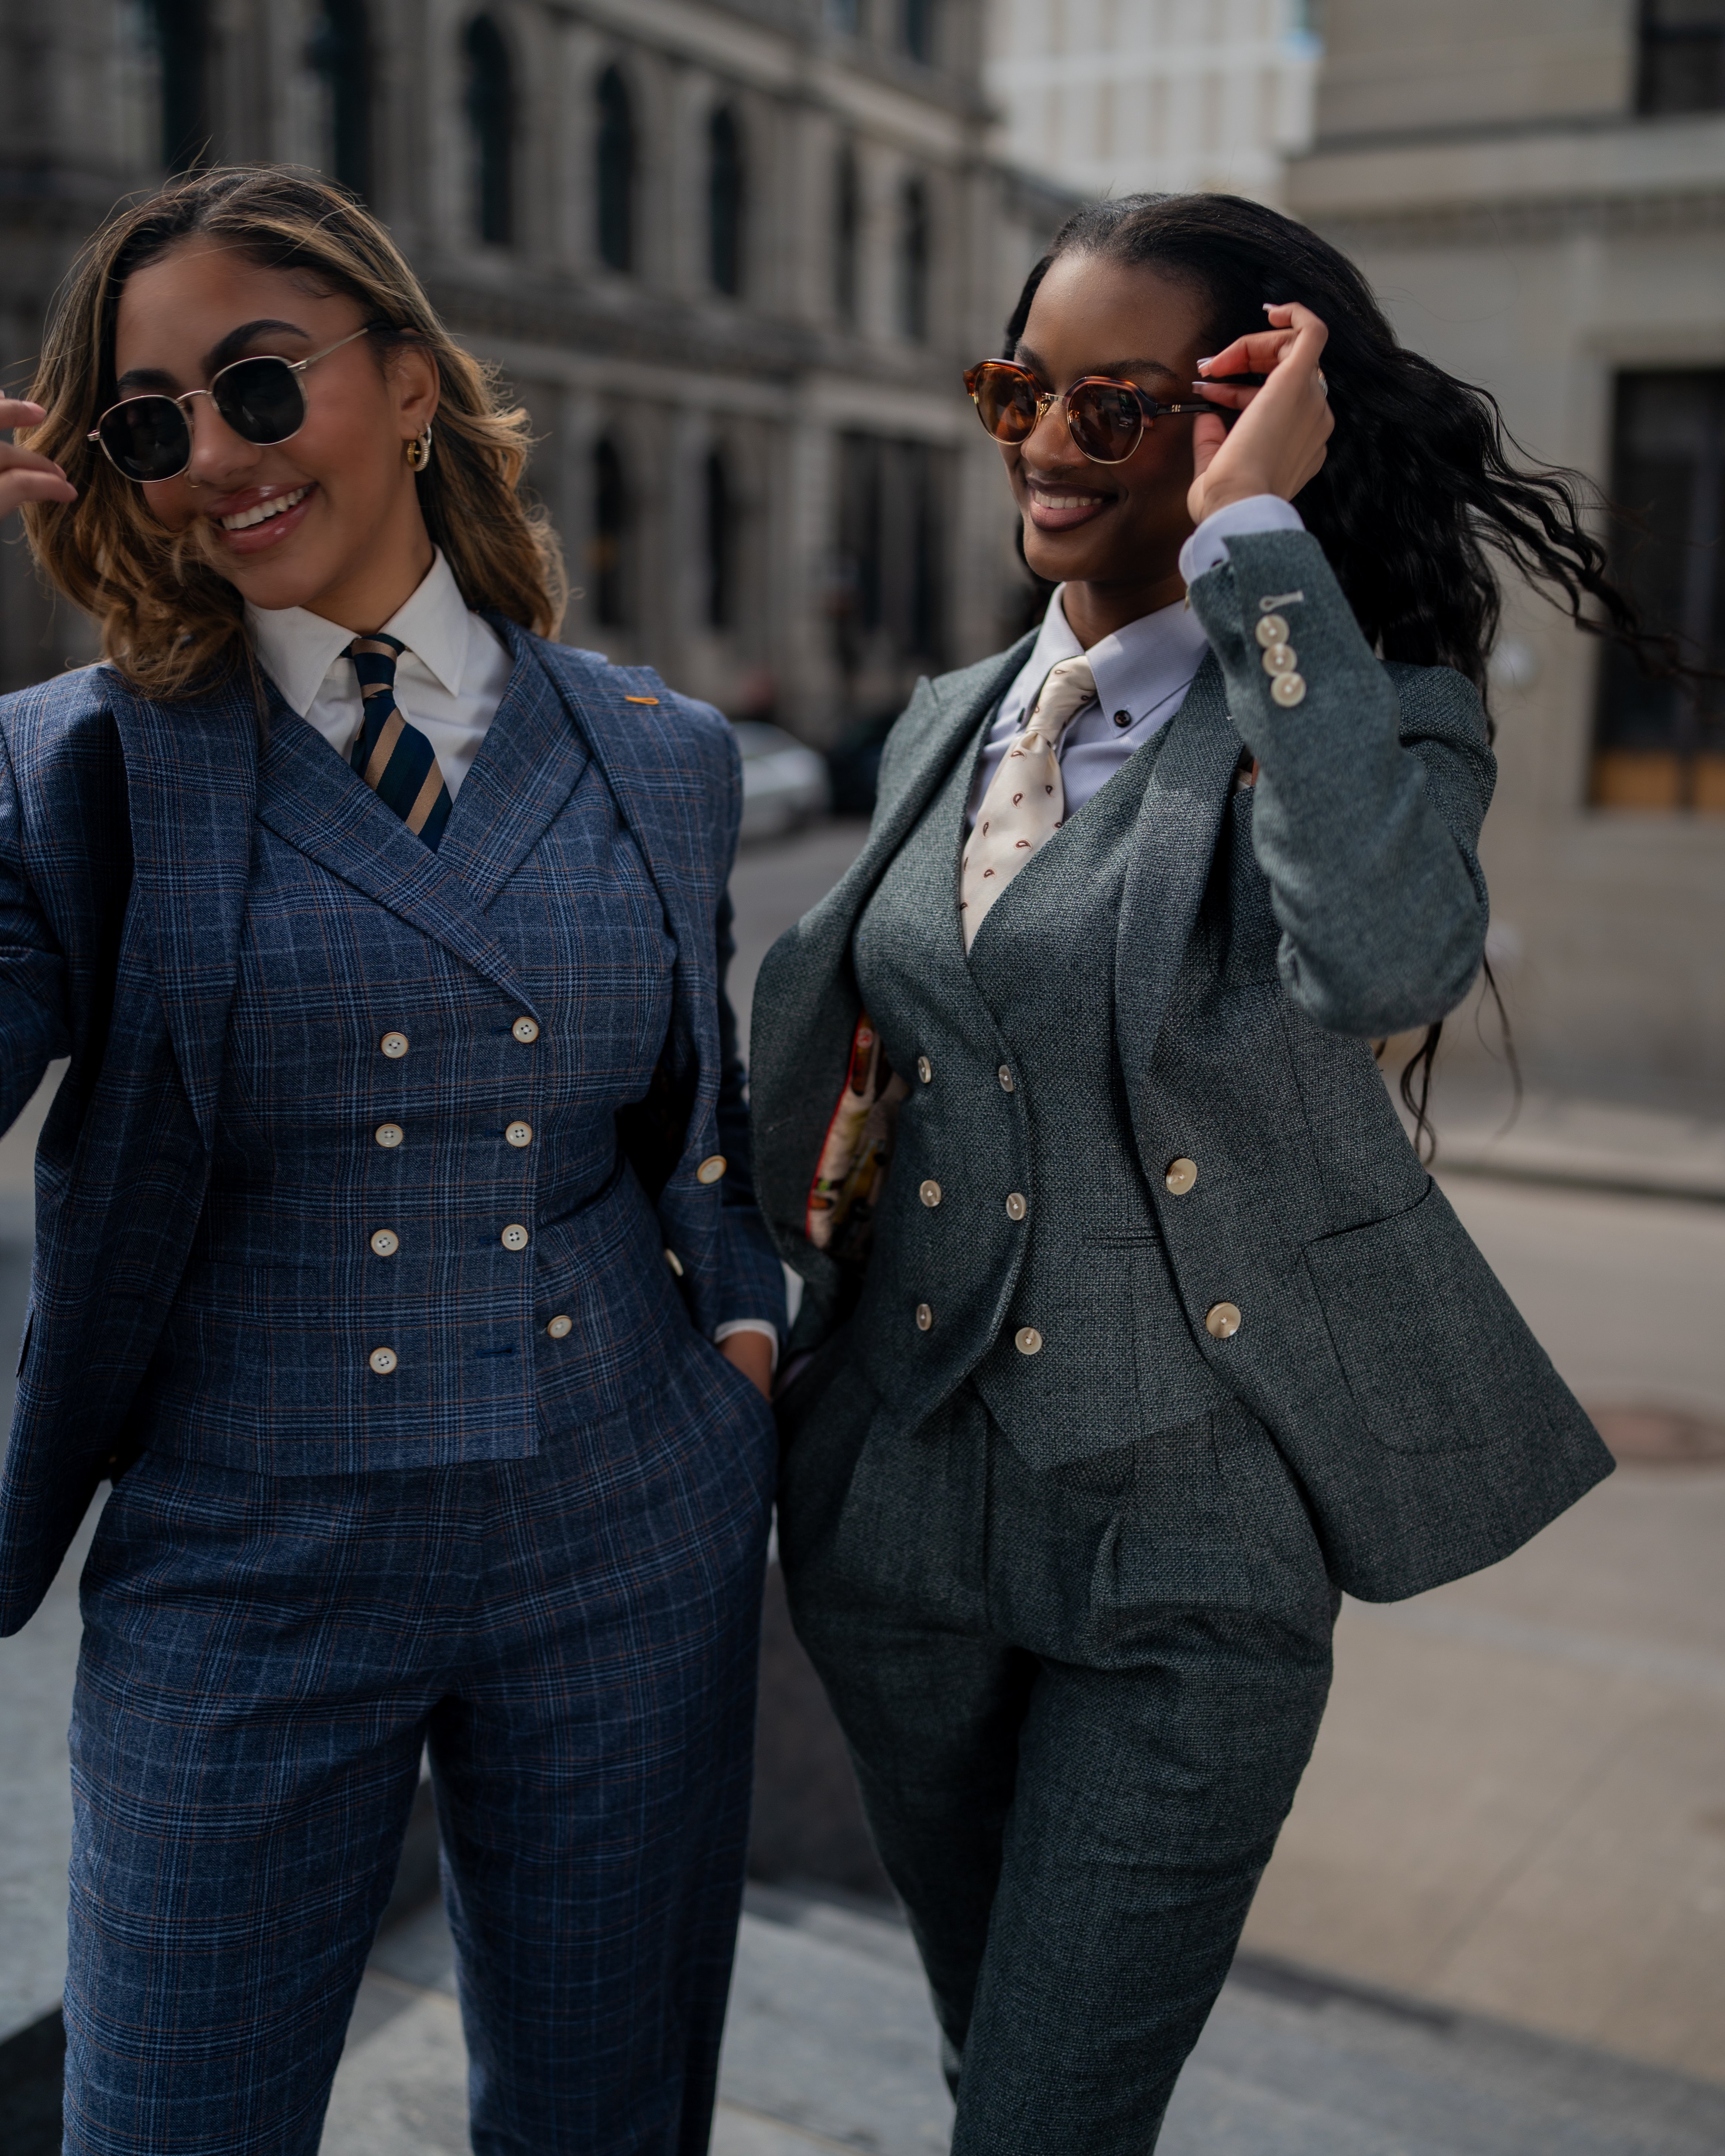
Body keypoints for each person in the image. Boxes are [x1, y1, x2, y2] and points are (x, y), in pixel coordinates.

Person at [748, 192, 1638, 2152]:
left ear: (1252, 423)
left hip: (1188, 1562)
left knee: (1047, 2119)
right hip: (896, 1535)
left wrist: (1253, 544)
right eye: (1023, 390)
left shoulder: (1361, 712)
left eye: (1121, 406)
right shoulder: (945, 723)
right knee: (996, 2071)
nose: (1050, 446)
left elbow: (1385, 960)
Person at [0, 165, 782, 2156]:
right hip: (244, 1566)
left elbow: (694, 1109)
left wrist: (742, 1339)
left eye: (261, 385)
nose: (215, 459)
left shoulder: (661, 746)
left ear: (412, 382)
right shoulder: (80, 765)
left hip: (629, 1532)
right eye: (149, 426)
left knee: (606, 2119)